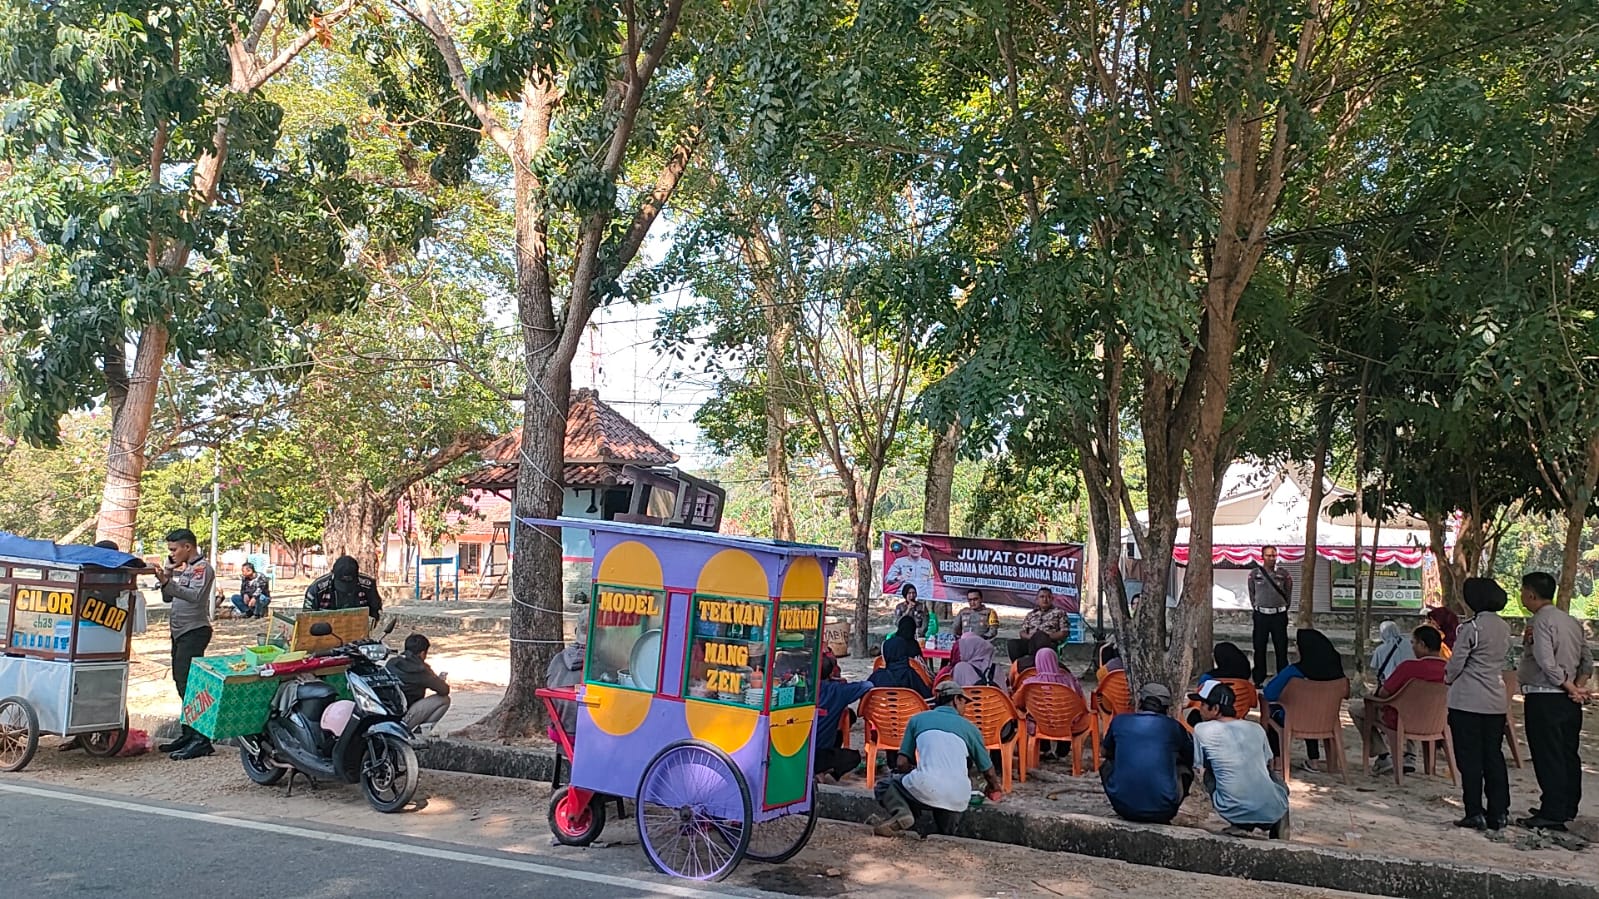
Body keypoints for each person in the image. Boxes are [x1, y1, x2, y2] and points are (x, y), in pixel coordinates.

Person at [868, 680, 1003, 837]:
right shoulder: (970, 728)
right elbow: (988, 771)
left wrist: (914, 770)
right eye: (964, 702)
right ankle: (945, 835)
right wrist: (994, 787)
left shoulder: (917, 720)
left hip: (924, 787)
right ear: (955, 700)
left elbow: (901, 763)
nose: (965, 708)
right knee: (946, 826)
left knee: (886, 785)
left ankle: (903, 812)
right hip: (958, 795)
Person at [1516, 571, 1593, 831]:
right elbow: (1586, 660)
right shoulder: (1570, 621)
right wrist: (1577, 688)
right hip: (1568, 700)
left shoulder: (1541, 621)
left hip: (1545, 696)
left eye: (1523, 591)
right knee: (1567, 753)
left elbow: (1547, 662)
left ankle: (1553, 811)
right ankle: (1566, 805)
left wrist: (1569, 686)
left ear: (1531, 593)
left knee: (1548, 754)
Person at [1445, 577, 1512, 831]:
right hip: (1495, 700)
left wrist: (1447, 677)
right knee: (1493, 756)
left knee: (1470, 758)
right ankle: (1499, 811)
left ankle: (1474, 810)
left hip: (1468, 700)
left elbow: (1456, 662)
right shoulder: (1504, 627)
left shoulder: (1470, 628)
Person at [1192, 681, 1291, 839]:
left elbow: (1199, 767)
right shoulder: (1256, 729)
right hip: (1272, 810)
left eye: (1203, 704)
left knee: (1211, 774)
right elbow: (1267, 762)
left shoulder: (1202, 729)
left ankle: (1239, 823)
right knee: (1271, 776)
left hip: (1231, 808)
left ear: (1215, 709)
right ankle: (1276, 815)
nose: (1199, 708)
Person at [1350, 626, 1446, 775]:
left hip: (1401, 720)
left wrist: (1371, 697)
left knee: (1356, 710)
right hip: (1437, 722)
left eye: (1413, 643)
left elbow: (1383, 694)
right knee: (1414, 707)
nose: (1412, 647)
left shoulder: (1409, 667)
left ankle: (1383, 756)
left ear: (1422, 644)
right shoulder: (1449, 669)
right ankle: (1411, 755)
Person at [156, 528, 216, 760]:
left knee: (190, 684)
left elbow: (194, 596)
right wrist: (168, 575)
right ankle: (188, 733)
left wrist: (166, 581)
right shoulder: (186, 569)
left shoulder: (202, 568)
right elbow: (168, 597)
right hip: (179, 631)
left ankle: (201, 739)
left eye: (174, 549)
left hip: (194, 631)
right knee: (181, 681)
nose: (171, 554)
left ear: (187, 547)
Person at [1100, 683, 1194, 824]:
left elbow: (1104, 752)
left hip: (1123, 807)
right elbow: (1190, 757)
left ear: (1141, 701)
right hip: (1164, 810)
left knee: (1106, 766)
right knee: (1184, 770)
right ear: (1166, 707)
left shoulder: (1120, 721)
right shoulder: (1174, 728)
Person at [1263, 628, 1344, 772]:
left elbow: (1269, 694)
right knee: (1311, 709)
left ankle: (1278, 760)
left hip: (1295, 718)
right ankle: (1314, 761)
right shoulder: (1337, 674)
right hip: (1326, 719)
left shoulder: (1294, 671)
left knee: (1274, 711)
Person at [815, 655, 871, 782]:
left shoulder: (803, 687)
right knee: (854, 757)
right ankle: (828, 773)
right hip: (822, 755)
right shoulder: (838, 691)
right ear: (830, 674)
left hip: (799, 753)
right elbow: (867, 685)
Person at [387, 634, 451, 733]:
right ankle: (421, 733)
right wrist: (438, 680)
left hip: (388, 714)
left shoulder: (391, 662)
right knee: (444, 700)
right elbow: (444, 690)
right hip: (404, 718)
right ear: (422, 653)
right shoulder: (421, 670)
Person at [1249, 546, 1294, 686]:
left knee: (1281, 648)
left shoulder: (1283, 574)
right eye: (1268, 555)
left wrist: (1283, 607)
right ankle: (1258, 679)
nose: (1271, 558)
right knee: (1259, 647)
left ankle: (1282, 678)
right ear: (1262, 556)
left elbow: (1288, 592)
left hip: (1278, 616)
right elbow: (1252, 593)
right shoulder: (1254, 573)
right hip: (1261, 615)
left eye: (1274, 555)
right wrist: (1257, 606)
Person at [305, 554, 383, 622]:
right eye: (342, 583)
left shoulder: (368, 585)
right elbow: (307, 617)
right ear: (333, 574)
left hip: (358, 629)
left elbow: (375, 612)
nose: (346, 589)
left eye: (349, 584)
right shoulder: (317, 588)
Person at [869, 616, 932, 699]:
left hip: (882, 710)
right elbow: (927, 697)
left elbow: (865, 694)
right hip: (911, 709)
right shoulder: (911, 675)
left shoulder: (877, 676)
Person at [544, 618, 587, 737]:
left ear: (576, 631)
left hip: (558, 728)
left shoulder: (558, 658)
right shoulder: (600, 663)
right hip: (583, 733)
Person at [1011, 587, 1069, 659]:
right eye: (1042, 597)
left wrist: (1045, 637)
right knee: (1013, 644)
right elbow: (1022, 632)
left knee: (1040, 636)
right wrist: (1029, 637)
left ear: (1052, 599)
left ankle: (1034, 662)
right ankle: (1018, 668)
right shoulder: (1031, 614)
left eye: (1048, 597)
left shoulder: (1060, 613)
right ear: (1037, 599)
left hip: (1049, 643)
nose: (1045, 599)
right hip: (1031, 641)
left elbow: (1064, 632)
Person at [885, 538, 936, 603]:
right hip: (903, 598)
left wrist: (928, 598)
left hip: (921, 598)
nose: (915, 549)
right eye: (912, 546)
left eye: (918, 547)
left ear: (921, 549)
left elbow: (930, 583)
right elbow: (887, 579)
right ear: (908, 548)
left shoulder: (928, 563)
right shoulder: (899, 561)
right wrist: (898, 578)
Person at [1369, 620, 1417, 684]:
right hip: (1409, 681)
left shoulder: (1380, 650)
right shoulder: (1410, 644)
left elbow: (1374, 667)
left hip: (1390, 683)